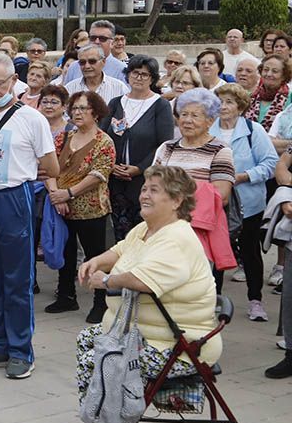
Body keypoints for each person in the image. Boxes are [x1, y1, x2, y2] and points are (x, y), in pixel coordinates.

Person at [72, 166, 220, 423]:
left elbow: (142, 280)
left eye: (154, 189)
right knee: (88, 339)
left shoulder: (177, 237)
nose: (144, 194)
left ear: (177, 200)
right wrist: (96, 261)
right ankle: (97, 418)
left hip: (178, 345)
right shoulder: (147, 229)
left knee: (101, 361)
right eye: (144, 188)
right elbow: (121, 249)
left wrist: (106, 280)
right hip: (141, 334)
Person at [0, 52, 58, 380]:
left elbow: (52, 166)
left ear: (13, 81)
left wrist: (25, 172)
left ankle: (21, 350)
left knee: (16, 280)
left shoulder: (32, 119)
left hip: (14, 198)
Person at [154, 89, 237, 289]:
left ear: (210, 121)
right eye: (184, 114)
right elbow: (152, 184)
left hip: (198, 231)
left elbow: (221, 194)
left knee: (197, 286)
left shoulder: (220, 150)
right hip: (163, 228)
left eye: (195, 115)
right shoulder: (167, 147)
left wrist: (172, 195)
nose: (187, 120)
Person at [45, 91, 115, 323]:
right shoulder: (63, 138)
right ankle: (66, 295)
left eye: (83, 108)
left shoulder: (104, 142)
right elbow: (48, 168)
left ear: (95, 112)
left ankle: (100, 302)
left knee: (96, 255)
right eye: (74, 108)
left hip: (91, 208)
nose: (77, 112)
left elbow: (98, 175)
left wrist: (69, 193)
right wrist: (57, 195)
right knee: (65, 252)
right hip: (62, 207)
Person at [211, 83, 278, 320]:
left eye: (229, 102)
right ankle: (214, 299)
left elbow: (270, 163)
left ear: (240, 106)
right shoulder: (208, 130)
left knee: (250, 251)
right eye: (220, 101)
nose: (224, 106)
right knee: (216, 251)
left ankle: (255, 300)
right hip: (216, 201)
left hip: (249, 203)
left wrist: (244, 176)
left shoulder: (253, 130)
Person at [101, 55, 174, 242]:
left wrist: (139, 168)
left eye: (145, 74)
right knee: (119, 232)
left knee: (143, 231)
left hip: (144, 179)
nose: (139, 78)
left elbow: (164, 144)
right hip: (115, 179)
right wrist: (112, 165)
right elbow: (101, 137)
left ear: (152, 78)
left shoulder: (160, 105)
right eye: (135, 73)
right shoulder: (116, 103)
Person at [63, 20, 127, 85]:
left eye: (102, 38)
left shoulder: (121, 69)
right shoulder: (74, 67)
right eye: (93, 38)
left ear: (112, 43)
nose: (97, 42)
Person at [246, 54, 291, 132]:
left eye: (275, 71)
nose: (269, 74)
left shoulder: (290, 98)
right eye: (266, 70)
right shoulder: (251, 97)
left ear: (284, 76)